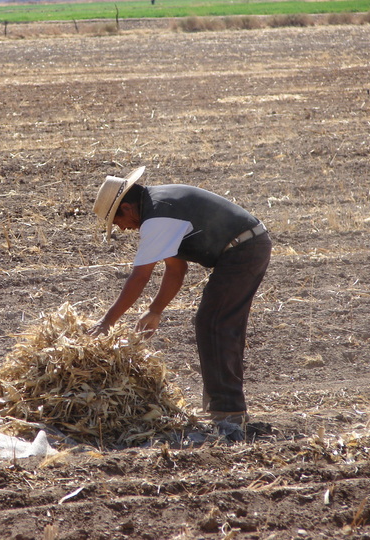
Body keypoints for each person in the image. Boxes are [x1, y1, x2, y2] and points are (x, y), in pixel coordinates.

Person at [89, 166, 271, 431]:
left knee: (215, 322)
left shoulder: (156, 218)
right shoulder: (160, 206)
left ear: (127, 208)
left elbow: (139, 277)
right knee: (217, 322)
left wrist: (106, 323)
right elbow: (176, 269)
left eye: (118, 223)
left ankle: (228, 412)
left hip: (244, 249)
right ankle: (223, 404)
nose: (124, 229)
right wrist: (155, 310)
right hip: (247, 245)